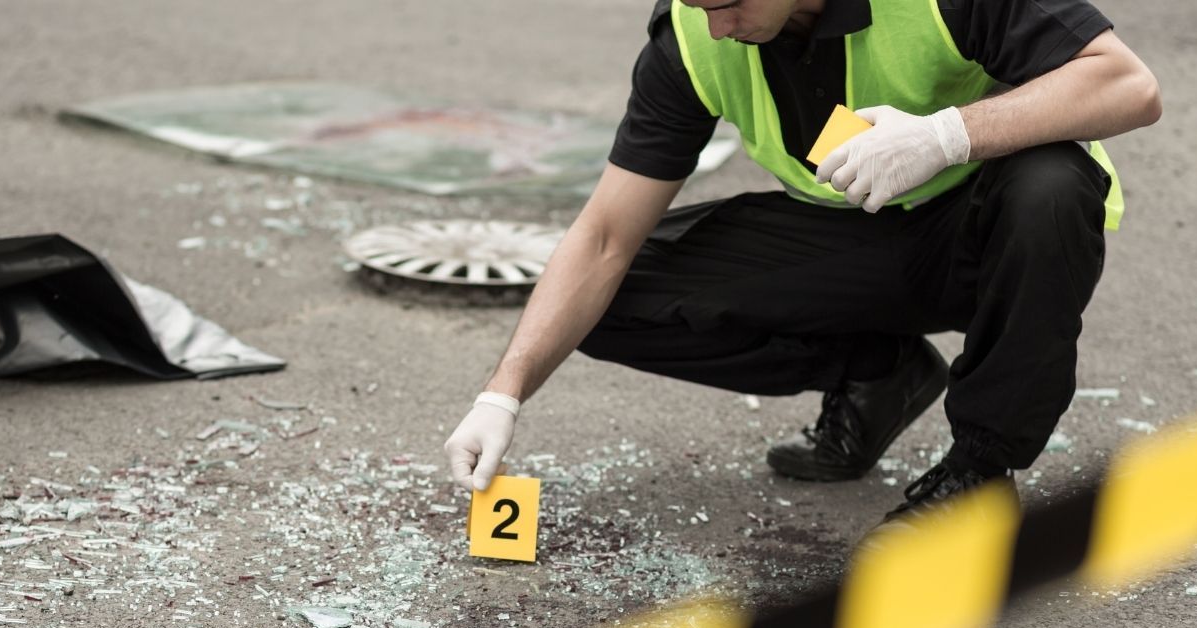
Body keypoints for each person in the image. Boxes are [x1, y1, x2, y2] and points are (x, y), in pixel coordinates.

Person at [443, 0, 1160, 527]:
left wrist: (948, 135)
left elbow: (1129, 85)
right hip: (853, 236)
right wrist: (501, 396)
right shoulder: (694, 33)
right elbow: (603, 236)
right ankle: (878, 373)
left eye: (728, 4)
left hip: (989, 236)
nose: (716, 25)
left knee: (1053, 186)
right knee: (605, 297)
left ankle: (979, 470)